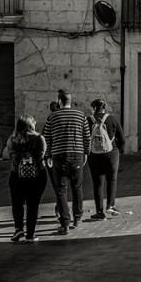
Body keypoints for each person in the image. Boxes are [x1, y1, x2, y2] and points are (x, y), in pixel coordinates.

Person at [44, 89, 91, 235]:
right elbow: (86, 136)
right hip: (77, 154)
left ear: (59, 101)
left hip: (59, 156)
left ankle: (64, 223)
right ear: (70, 100)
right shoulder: (80, 115)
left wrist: (48, 155)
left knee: (61, 190)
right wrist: (86, 153)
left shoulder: (52, 117)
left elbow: (47, 138)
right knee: (77, 187)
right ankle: (77, 218)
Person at [6, 114, 48, 243]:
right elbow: (41, 156)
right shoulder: (39, 138)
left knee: (17, 203)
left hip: (17, 176)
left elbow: (11, 157)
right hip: (37, 176)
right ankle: (30, 234)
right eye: (34, 121)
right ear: (31, 124)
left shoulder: (12, 140)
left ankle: (18, 228)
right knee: (32, 205)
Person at [87, 98, 125, 220]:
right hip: (111, 153)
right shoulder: (112, 119)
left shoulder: (88, 120)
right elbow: (122, 138)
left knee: (97, 183)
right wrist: (118, 149)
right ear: (105, 108)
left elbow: (84, 138)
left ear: (94, 108)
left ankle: (99, 212)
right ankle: (111, 205)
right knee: (112, 179)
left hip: (94, 155)